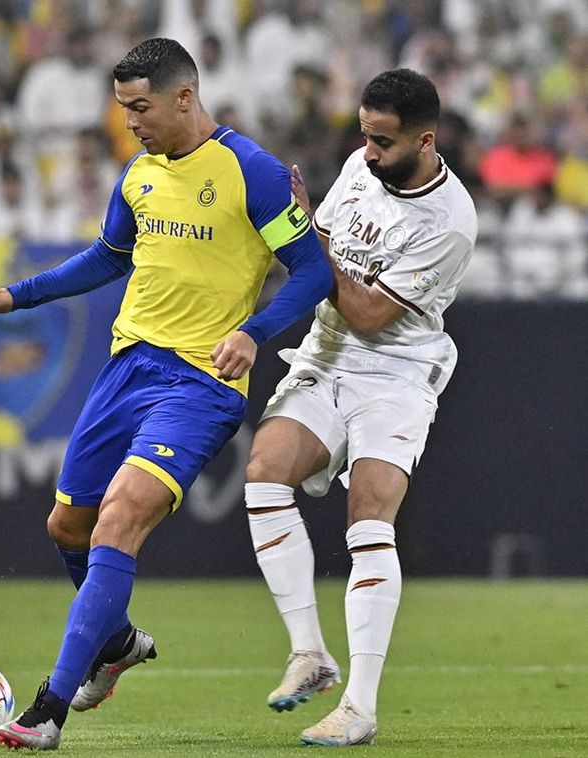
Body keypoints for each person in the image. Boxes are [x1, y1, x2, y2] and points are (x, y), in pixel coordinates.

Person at [0, 38, 333, 750]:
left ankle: (47, 710)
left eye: (139, 107)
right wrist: (15, 295)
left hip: (199, 382)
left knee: (117, 519)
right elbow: (107, 256)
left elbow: (311, 272)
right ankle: (117, 640)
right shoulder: (138, 173)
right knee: (66, 527)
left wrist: (253, 333)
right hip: (126, 369)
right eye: (122, 108)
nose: (128, 121)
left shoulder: (249, 170)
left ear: (183, 97)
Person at [243, 69, 476, 746]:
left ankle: (359, 708)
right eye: (363, 136)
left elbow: (371, 312)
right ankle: (309, 653)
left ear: (424, 139)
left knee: (368, 510)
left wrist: (303, 237)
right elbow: (310, 259)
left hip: (396, 370)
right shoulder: (356, 165)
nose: (366, 152)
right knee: (263, 471)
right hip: (325, 353)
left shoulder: (449, 220)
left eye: (381, 141)